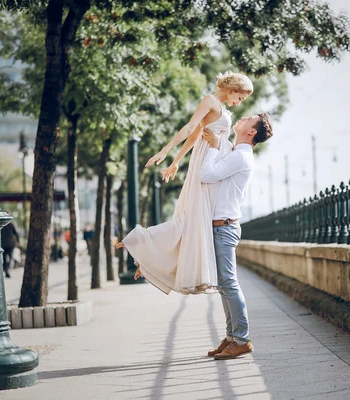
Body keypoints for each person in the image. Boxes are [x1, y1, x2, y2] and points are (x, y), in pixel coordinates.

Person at [115, 72, 253, 295]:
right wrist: (166, 152)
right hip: (207, 161)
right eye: (240, 97)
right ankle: (142, 245)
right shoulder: (210, 101)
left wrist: (177, 162)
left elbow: (196, 135)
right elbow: (190, 129)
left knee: (197, 221)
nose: (239, 103)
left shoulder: (221, 108)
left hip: (212, 160)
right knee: (191, 218)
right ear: (232, 89)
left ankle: (149, 258)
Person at [201, 113, 273, 360]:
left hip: (225, 227)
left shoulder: (241, 156)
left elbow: (207, 175)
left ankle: (242, 339)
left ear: (252, 132)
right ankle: (232, 336)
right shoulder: (236, 152)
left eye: (249, 119)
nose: (243, 117)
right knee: (224, 285)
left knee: (229, 283)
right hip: (222, 226)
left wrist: (212, 147)